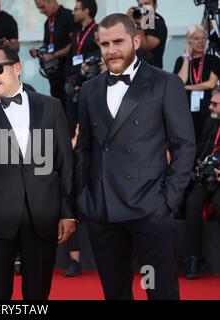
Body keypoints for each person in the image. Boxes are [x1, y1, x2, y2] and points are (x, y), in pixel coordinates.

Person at [75, 14, 196, 300]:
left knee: (158, 290)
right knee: (115, 292)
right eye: (104, 44)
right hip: (103, 209)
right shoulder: (90, 89)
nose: (111, 50)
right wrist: (85, 196)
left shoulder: (164, 83)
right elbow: (84, 149)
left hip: (149, 209)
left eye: (118, 41)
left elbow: (184, 145)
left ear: (136, 41)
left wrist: (167, 200)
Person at [0, 39, 76, 300]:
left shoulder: (51, 106)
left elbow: (65, 164)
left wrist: (67, 212)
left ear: (17, 68)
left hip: (42, 217)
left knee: (37, 295)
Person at [184, 87, 220, 279]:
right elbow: (201, 148)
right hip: (207, 176)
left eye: (215, 104)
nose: (210, 107)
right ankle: (194, 258)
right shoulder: (210, 123)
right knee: (192, 203)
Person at [174, 25, 220, 143]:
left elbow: (210, 84)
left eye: (203, 38)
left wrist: (187, 87)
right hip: (186, 107)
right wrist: (186, 57)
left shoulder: (212, 59)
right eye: (196, 38)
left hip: (207, 106)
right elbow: (180, 82)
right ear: (189, 40)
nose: (200, 42)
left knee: (205, 139)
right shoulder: (181, 60)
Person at [30, 0, 77, 109]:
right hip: (53, 73)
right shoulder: (48, 22)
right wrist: (38, 52)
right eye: (38, 8)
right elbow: (46, 45)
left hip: (67, 71)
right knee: (57, 105)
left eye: (42, 7)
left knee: (68, 107)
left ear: (51, 1)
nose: (41, 11)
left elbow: (74, 43)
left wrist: (54, 55)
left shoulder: (68, 16)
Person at [65, 0, 99, 131]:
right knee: (71, 123)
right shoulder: (77, 34)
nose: (73, 13)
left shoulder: (97, 31)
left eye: (76, 9)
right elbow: (71, 57)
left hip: (89, 82)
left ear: (87, 11)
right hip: (72, 83)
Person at [127, 0, 167, 69]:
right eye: (140, 5)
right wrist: (126, 21)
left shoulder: (158, 24)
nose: (143, 7)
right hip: (133, 70)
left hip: (152, 72)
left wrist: (139, 25)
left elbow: (144, 48)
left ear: (155, 5)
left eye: (147, 4)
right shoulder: (135, 22)